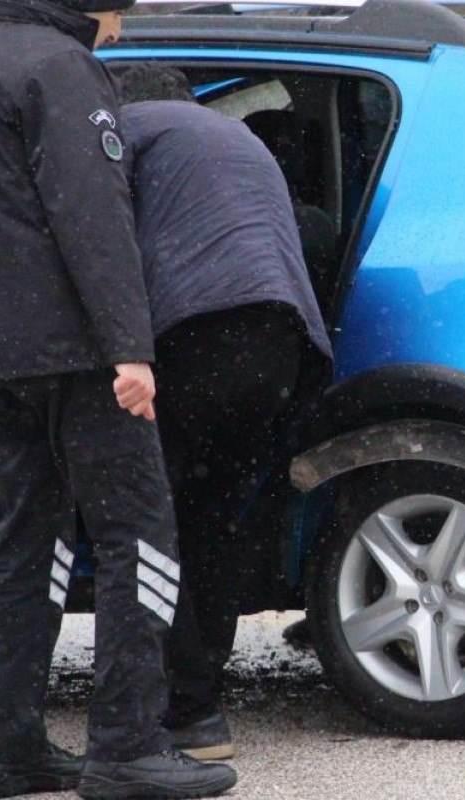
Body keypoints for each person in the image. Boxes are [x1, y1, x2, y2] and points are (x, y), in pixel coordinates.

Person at [0, 1, 237, 798]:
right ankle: (129, 744)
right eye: (117, 12)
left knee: (28, 541)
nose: (118, 29)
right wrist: (131, 346)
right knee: (140, 534)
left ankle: (4, 744)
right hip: (77, 349)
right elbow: (91, 210)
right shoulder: (58, 66)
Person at [116, 65, 333, 761]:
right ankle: (201, 709)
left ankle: (167, 708)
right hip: (281, 344)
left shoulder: (126, 132)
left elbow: (97, 248)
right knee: (213, 522)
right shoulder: (236, 139)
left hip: (191, 337)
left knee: (151, 523)